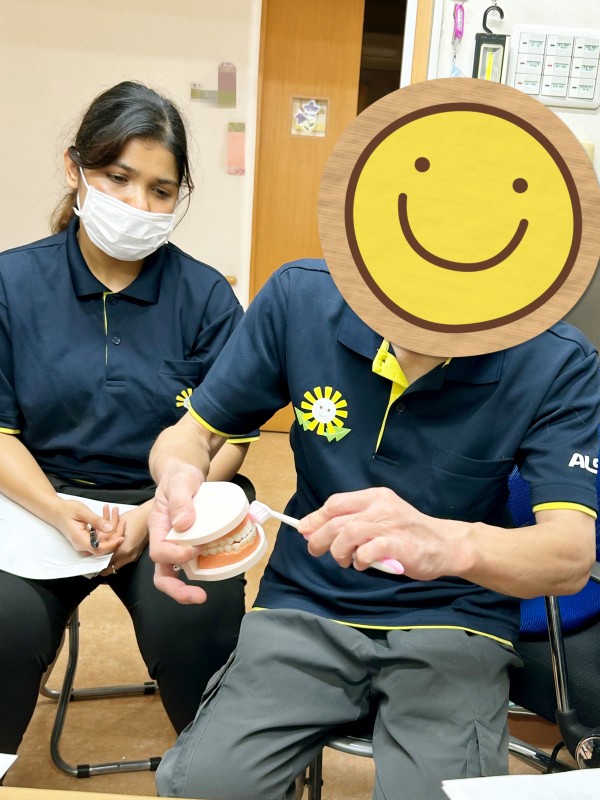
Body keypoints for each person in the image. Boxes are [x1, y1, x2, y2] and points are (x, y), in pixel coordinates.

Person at [148, 259, 599, 800]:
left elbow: (570, 556)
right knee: (203, 788)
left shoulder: (554, 357)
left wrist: (446, 543)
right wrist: (175, 480)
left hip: (454, 616)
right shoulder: (302, 297)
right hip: (305, 601)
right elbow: (193, 435)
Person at [0, 81, 257, 756]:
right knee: (3, 626)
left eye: (160, 190)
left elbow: (228, 440)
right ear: (75, 169)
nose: (138, 204)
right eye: (118, 178)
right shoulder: (11, 285)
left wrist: (152, 516)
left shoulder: (205, 296)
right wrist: (56, 511)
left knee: (199, 626)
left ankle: (221, 770)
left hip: (174, 505)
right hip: (38, 500)